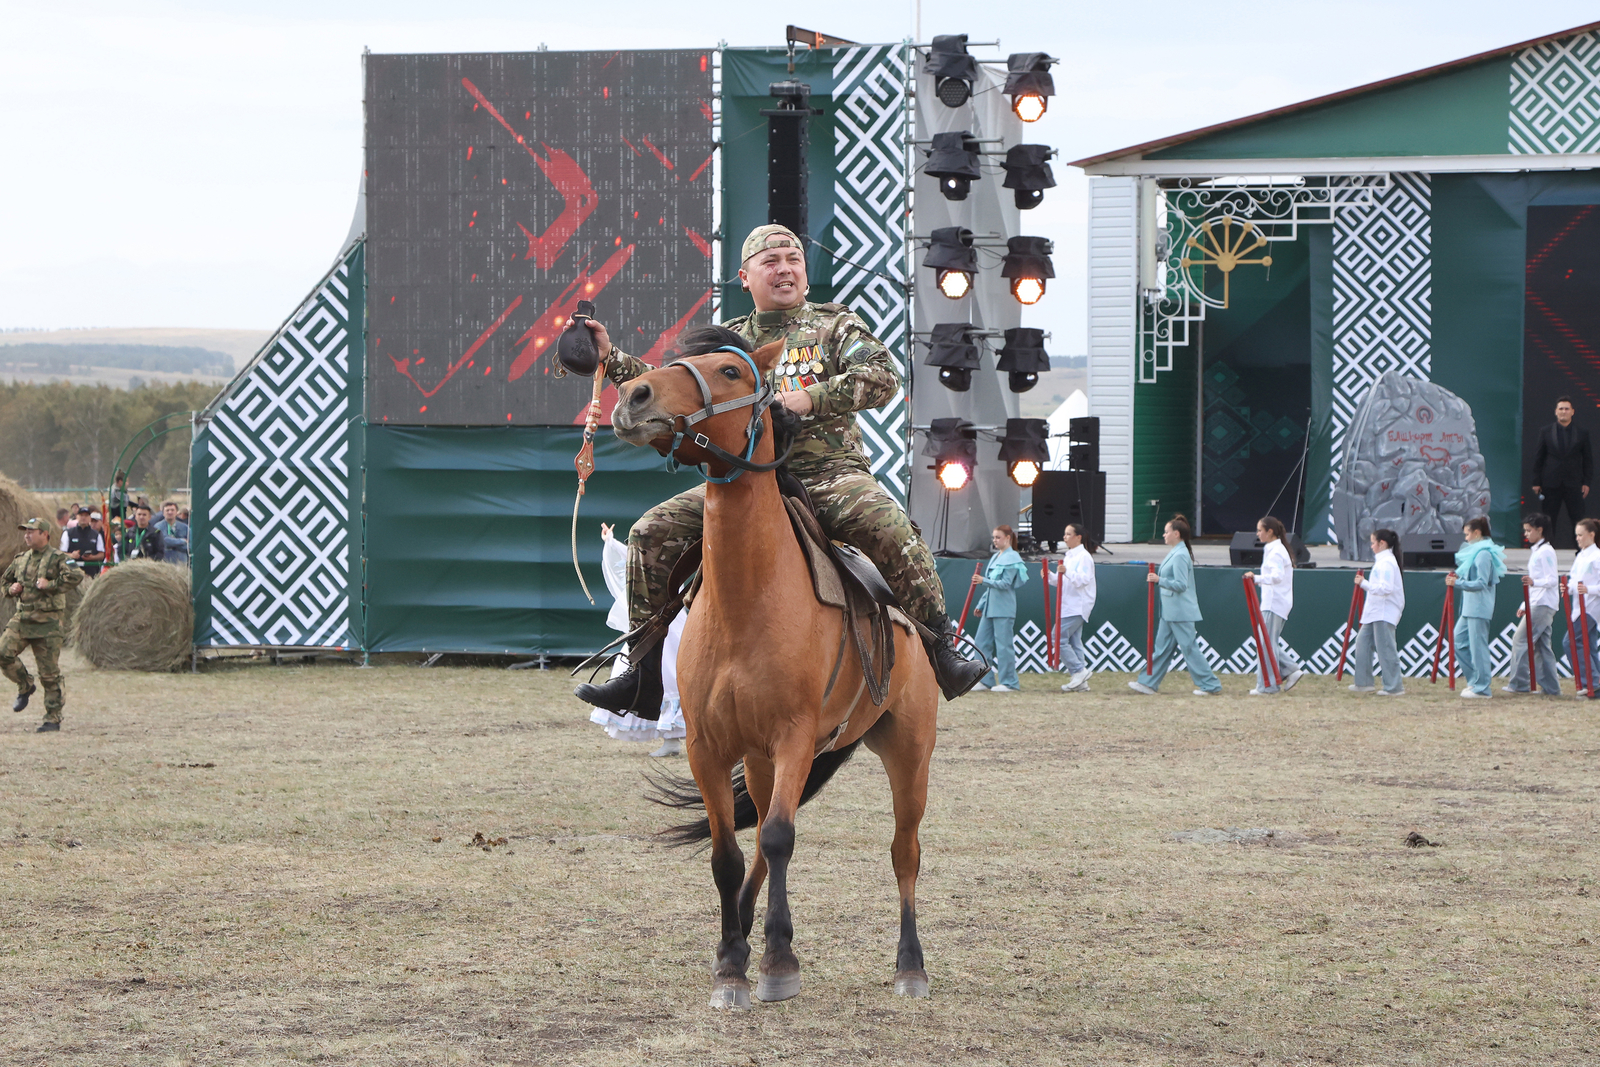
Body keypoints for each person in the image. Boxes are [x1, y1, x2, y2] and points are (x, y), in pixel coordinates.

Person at [573, 224, 988, 716]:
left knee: (888, 524)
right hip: (746, 480)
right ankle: (640, 677)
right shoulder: (729, 341)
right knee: (649, 531)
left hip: (831, 475)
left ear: (806, 275)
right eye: (770, 262)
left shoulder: (835, 324)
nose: (785, 269)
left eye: (793, 260)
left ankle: (941, 649)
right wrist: (611, 359)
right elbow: (669, 391)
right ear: (745, 278)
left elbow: (882, 376)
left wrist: (806, 398)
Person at [590, 522, 686, 757]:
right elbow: (628, 561)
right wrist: (610, 542)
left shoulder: (673, 559)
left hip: (669, 626)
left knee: (671, 676)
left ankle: (673, 738)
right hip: (647, 627)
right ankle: (670, 738)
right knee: (641, 672)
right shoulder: (644, 560)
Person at [1, 518, 83, 732]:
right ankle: (25, 684)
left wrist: (51, 584)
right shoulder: (21, 559)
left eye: (31, 531)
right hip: (23, 618)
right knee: (3, 653)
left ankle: (52, 718)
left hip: (48, 622)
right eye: (25, 531)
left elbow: (76, 575)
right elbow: (4, 581)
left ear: (45, 534)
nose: (27, 535)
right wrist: (10, 589)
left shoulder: (58, 558)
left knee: (49, 673)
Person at [1129, 515, 1221, 696]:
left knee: (1189, 649)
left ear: (1176, 534)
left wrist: (1159, 580)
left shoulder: (1180, 555)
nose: (1164, 535)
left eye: (1166, 532)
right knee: (1162, 648)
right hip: (1170, 611)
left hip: (1180, 611)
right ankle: (1148, 683)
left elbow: (1181, 584)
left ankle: (1210, 685)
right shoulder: (1177, 552)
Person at [1243, 516, 1306, 695]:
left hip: (1275, 603)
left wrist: (1256, 578)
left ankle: (1268, 685)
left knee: (1266, 643)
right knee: (1266, 641)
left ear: (1270, 532)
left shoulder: (1276, 551)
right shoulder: (1274, 549)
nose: (1257, 534)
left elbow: (1277, 576)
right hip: (1274, 602)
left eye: (1260, 530)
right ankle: (1290, 669)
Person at [1447, 516, 1506, 699]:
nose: (1466, 538)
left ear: (1477, 533)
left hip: (1478, 608)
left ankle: (1482, 688)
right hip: (1470, 608)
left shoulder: (1483, 554)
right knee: (1458, 641)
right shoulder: (1478, 553)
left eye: (1467, 534)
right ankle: (1475, 681)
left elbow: (1481, 582)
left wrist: (1458, 583)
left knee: (1478, 648)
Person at [1506, 513, 1561, 697]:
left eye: (1529, 530)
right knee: (1541, 646)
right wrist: (1525, 604)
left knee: (1520, 640)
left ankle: (1519, 683)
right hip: (1539, 602)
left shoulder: (1546, 551)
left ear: (1540, 530)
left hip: (1543, 603)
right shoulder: (1539, 551)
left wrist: (1533, 583)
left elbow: (1552, 580)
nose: (1526, 534)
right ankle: (1551, 688)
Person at [969, 525, 1028, 693]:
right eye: (994, 537)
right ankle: (984, 680)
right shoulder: (996, 556)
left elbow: (1005, 584)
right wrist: (981, 604)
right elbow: (991, 587)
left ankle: (1009, 682)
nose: (995, 540)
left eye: (998, 537)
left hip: (1004, 609)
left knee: (1004, 646)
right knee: (981, 643)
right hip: (990, 608)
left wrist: (983, 581)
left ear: (1008, 538)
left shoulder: (1013, 557)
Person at [1350, 529, 1406, 696]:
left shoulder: (1387, 562)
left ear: (1382, 543)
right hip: (1375, 611)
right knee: (1362, 643)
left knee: (1386, 648)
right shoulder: (1383, 561)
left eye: (1373, 542)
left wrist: (1364, 584)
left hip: (1384, 611)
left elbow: (1386, 588)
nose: (1371, 546)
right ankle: (1363, 682)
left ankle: (1394, 687)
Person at [1533, 397, 1592, 549]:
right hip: (1551, 483)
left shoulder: (1582, 433)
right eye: (1561, 408)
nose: (1563, 411)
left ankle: (1581, 551)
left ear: (1572, 412)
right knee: (1548, 519)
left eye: (1566, 409)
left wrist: (1586, 482)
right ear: (1555, 411)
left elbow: (1587, 459)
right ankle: (1547, 550)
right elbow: (1539, 457)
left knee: (1577, 519)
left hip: (1574, 483)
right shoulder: (1545, 431)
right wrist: (1536, 481)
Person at [1046, 522, 1096, 692]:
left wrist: (1066, 571)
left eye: (1068, 534)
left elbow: (1083, 579)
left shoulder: (1084, 557)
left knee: (1057, 637)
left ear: (1078, 537)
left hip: (1078, 605)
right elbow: (1062, 581)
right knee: (1074, 642)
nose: (1065, 537)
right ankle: (1080, 682)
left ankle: (1078, 671)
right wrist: (1050, 576)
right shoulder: (1069, 556)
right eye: (1065, 534)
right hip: (1067, 604)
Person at [1568, 518, 1600, 698]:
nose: (1578, 539)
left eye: (1580, 535)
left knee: (1572, 641)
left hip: (1591, 607)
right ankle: (1596, 681)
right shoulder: (1580, 556)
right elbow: (1574, 580)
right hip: (1578, 606)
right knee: (1589, 645)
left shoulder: (1597, 556)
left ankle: (1590, 681)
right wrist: (1568, 588)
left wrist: (1589, 589)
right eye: (1576, 535)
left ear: (1592, 535)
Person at [61, 506, 106, 578]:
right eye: (81, 515)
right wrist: (72, 555)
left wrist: (92, 557)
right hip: (72, 573)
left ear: (89, 518)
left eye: (86, 515)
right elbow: (61, 553)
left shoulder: (96, 535)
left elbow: (101, 554)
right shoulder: (68, 533)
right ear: (77, 517)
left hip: (91, 573)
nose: (83, 518)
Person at [155, 501, 190, 567]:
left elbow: (191, 545)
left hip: (182, 562)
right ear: (163, 513)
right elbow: (164, 541)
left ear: (177, 512)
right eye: (167, 510)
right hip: (164, 562)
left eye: (172, 510)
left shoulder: (185, 527)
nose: (170, 512)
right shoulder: (158, 527)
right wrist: (182, 541)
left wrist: (172, 545)